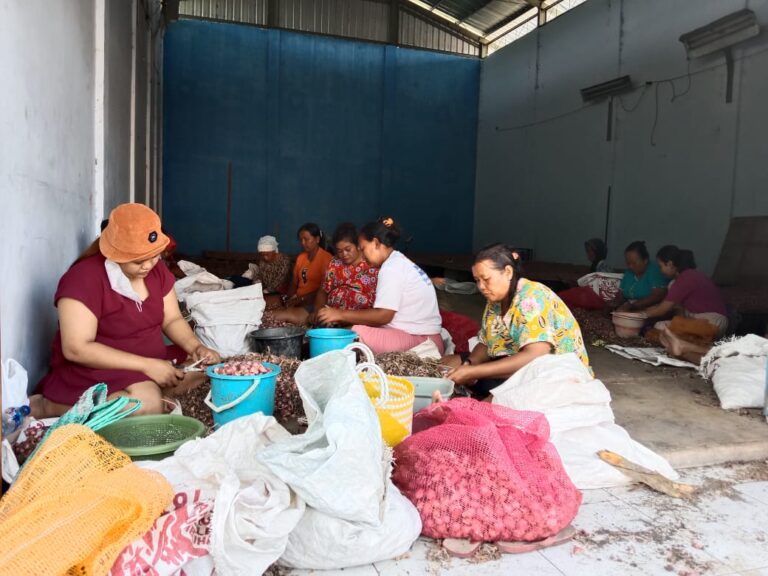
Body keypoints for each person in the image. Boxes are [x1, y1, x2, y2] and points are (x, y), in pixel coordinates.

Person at [32, 203, 221, 418]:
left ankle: (145, 389)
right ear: (115, 254)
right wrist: (147, 366)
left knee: (208, 369)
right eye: (138, 261)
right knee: (146, 404)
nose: (149, 266)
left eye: (154, 256)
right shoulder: (83, 278)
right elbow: (76, 348)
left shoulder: (156, 270)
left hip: (150, 360)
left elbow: (172, 320)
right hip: (99, 367)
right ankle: (47, 407)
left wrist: (196, 347)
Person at [442, 244, 590, 398]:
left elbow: (536, 355)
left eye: (486, 279)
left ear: (508, 272)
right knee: (450, 364)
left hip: (554, 376)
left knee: (492, 402)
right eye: (477, 280)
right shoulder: (495, 301)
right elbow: (486, 342)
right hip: (517, 363)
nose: (481, 287)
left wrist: (475, 371)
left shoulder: (531, 297)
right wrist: (470, 364)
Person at [316, 218, 443, 354]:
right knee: (350, 330)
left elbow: (383, 316)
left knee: (344, 336)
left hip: (421, 340)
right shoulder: (397, 261)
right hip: (423, 337)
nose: (363, 256)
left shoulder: (391, 268)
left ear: (376, 243)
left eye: (363, 249)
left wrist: (339, 314)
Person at [276, 223, 379, 326]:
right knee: (281, 317)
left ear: (358, 246)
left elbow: (378, 309)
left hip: (357, 318)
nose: (344, 254)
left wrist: (341, 316)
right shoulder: (335, 262)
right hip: (329, 314)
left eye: (348, 249)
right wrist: (318, 311)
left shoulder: (371, 264)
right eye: (339, 251)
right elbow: (322, 291)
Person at [645, 245, 729, 337]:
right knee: (663, 326)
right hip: (701, 321)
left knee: (660, 327)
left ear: (669, 264)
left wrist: (639, 315)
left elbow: (661, 310)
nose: (660, 270)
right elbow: (678, 312)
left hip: (712, 322)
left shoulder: (686, 278)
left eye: (660, 266)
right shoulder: (680, 280)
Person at [273, 223, 332, 321]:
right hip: (299, 300)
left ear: (317, 239)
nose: (303, 243)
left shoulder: (327, 259)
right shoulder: (301, 258)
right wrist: (288, 299)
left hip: (315, 304)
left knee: (278, 316)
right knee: (272, 310)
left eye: (306, 239)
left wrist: (300, 299)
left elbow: (323, 291)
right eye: (301, 240)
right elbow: (294, 283)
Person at [613, 241, 668, 311]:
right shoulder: (629, 272)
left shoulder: (655, 270)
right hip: (630, 310)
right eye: (628, 263)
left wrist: (634, 306)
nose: (630, 266)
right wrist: (614, 303)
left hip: (652, 311)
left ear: (645, 260)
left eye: (634, 263)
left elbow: (658, 295)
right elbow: (621, 295)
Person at [235, 235, 292, 300]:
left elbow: (280, 280)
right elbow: (261, 275)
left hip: (281, 293)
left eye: (267, 254)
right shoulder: (262, 261)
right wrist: (258, 281)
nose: (265, 257)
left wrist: (267, 291)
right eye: (262, 255)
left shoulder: (284, 261)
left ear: (274, 251)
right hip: (267, 291)